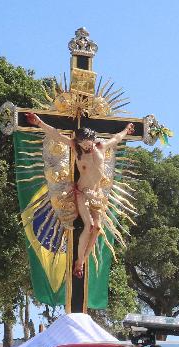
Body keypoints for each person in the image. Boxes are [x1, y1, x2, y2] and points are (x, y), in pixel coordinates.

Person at [26, 112, 135, 278]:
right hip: (82, 192)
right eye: (82, 143)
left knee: (98, 229)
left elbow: (116, 139)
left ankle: (82, 260)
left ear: (92, 139)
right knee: (89, 226)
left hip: (97, 193)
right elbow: (56, 134)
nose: (85, 146)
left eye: (87, 142)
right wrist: (39, 123)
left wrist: (126, 130)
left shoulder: (101, 147)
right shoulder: (76, 149)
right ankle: (79, 261)